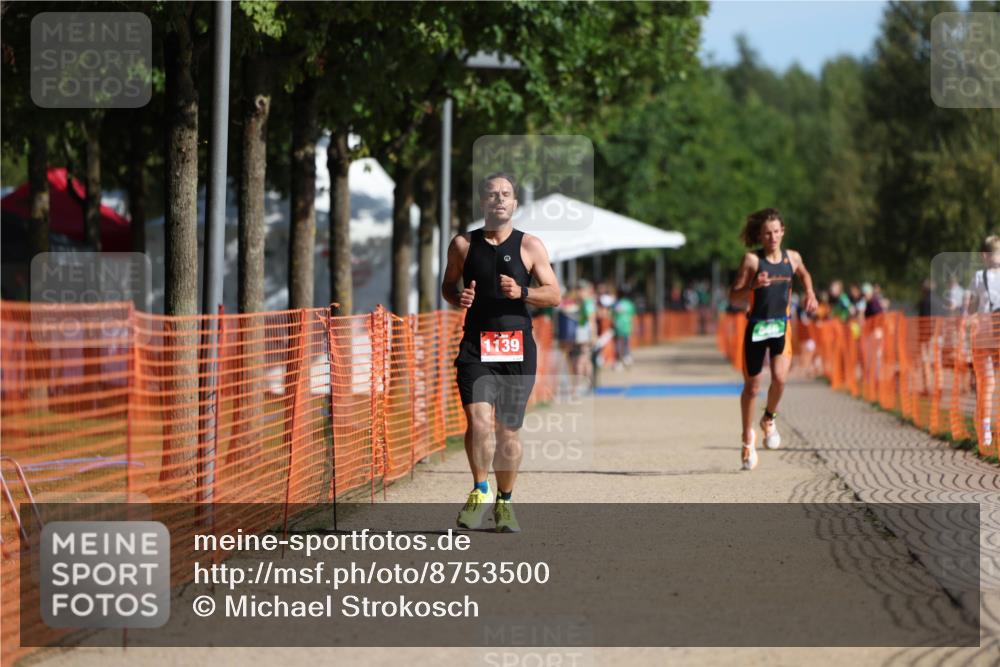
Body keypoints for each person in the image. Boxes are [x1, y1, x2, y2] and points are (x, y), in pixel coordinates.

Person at [441, 172, 560, 532]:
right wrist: (456, 297)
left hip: (516, 347)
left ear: (515, 204)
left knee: (508, 430)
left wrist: (521, 293)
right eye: (492, 194)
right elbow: (448, 284)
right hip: (476, 344)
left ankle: (505, 503)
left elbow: (554, 294)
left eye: (506, 194)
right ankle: (480, 491)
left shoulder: (530, 246)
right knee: (478, 420)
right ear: (483, 203)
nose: (499, 200)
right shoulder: (462, 244)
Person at [729, 208, 817, 470]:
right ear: (760, 235)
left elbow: (804, 274)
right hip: (756, 328)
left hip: (781, 327)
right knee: (753, 387)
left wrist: (810, 292)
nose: (772, 237)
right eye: (767, 233)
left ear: (783, 232)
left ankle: (768, 418)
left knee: (780, 378)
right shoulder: (752, 262)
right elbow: (733, 296)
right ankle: (747, 439)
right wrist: (751, 287)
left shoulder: (793, 258)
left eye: (777, 232)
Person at [963, 235, 1000, 448]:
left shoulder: (979, 277)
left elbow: (970, 308)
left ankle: (985, 429)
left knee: (987, 383)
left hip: (983, 335)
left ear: (984, 256)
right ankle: (987, 428)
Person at [613, 287, 636, 369]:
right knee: (626, 343)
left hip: (618, 327)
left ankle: (619, 361)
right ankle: (626, 358)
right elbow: (632, 317)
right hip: (627, 327)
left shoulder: (617, 303)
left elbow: (613, 315)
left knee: (618, 344)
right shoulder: (630, 304)